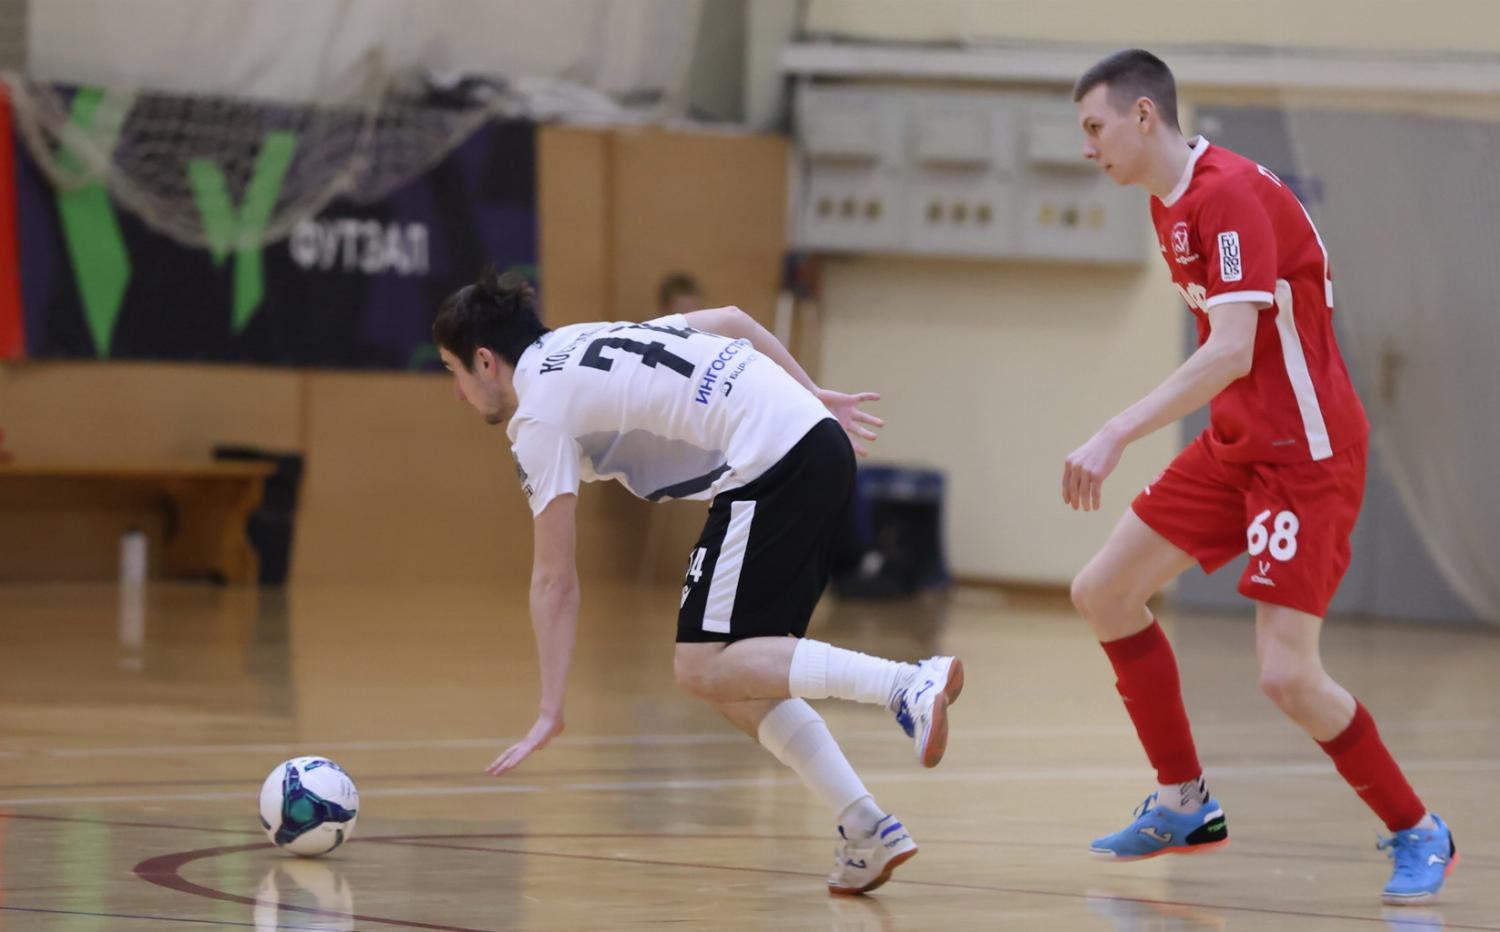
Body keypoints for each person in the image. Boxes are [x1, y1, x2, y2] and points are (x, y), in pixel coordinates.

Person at [431, 267, 964, 895]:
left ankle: (905, 683)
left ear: (485, 361)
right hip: (814, 443)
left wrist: (550, 708)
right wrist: (812, 395)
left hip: (772, 460)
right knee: (737, 676)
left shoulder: (538, 417)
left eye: (453, 372)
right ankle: (866, 826)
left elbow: (554, 581)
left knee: (699, 665)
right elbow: (734, 320)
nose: (458, 394)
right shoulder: (585, 338)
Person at [1065, 49, 1456, 905]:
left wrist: (1116, 430)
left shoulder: (1229, 195)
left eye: (1095, 127)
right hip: (1236, 446)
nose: (1087, 147)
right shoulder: (1169, 202)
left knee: (1287, 676)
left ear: (1142, 116)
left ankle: (1418, 829)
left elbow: (1232, 350)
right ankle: (1183, 803)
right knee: (1104, 592)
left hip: (1305, 458)